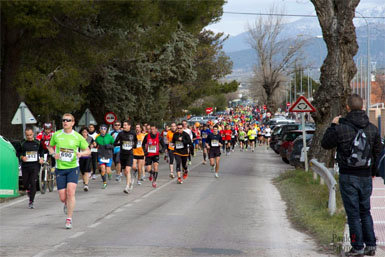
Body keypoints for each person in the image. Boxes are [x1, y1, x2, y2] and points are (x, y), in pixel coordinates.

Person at [321, 94, 382, 257]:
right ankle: (371, 246)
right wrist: (373, 173)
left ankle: (357, 247)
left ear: (347, 107)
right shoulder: (372, 128)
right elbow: (377, 152)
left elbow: (325, 144)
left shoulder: (341, 128)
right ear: (362, 107)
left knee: (353, 213)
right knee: (365, 211)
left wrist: (333, 125)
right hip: (366, 176)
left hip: (348, 175)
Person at [48, 113, 90, 229]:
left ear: (73, 123)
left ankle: (69, 219)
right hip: (60, 168)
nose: (65, 122)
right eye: (63, 120)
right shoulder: (56, 135)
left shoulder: (77, 137)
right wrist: (53, 153)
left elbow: (88, 151)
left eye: (68, 120)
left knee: (71, 192)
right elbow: (50, 146)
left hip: (73, 168)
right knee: (63, 197)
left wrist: (81, 153)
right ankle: (66, 204)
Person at [19, 127, 44, 209]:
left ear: (33, 134)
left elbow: (42, 151)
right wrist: (22, 157)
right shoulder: (22, 143)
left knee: (33, 183)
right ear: (25, 135)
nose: (29, 137)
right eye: (27, 135)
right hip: (25, 166)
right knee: (25, 183)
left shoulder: (37, 142)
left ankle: (31, 201)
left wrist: (41, 158)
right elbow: (18, 153)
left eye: (30, 135)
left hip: (35, 165)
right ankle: (28, 190)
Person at [114, 121, 137, 193]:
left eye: (125, 125)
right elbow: (115, 142)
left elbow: (136, 141)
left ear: (129, 126)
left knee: (127, 170)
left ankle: (127, 187)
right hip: (122, 154)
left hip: (130, 154)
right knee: (125, 172)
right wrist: (121, 143)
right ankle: (130, 182)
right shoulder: (121, 134)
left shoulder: (133, 133)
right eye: (123, 125)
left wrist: (134, 145)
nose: (124, 126)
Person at [95, 124, 115, 189]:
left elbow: (114, 145)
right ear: (100, 130)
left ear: (106, 130)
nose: (103, 130)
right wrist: (94, 145)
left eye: (104, 129)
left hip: (108, 155)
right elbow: (95, 145)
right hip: (101, 155)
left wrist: (109, 146)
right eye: (102, 129)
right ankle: (104, 183)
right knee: (103, 169)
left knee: (108, 170)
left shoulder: (109, 137)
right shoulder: (97, 138)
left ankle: (109, 174)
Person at [79, 127, 94, 191]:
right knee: (82, 171)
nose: (84, 133)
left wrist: (93, 145)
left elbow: (94, 144)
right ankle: (84, 182)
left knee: (86, 170)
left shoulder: (90, 138)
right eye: (83, 132)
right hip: (81, 156)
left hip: (88, 156)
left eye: (86, 132)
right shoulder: (79, 138)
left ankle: (86, 184)